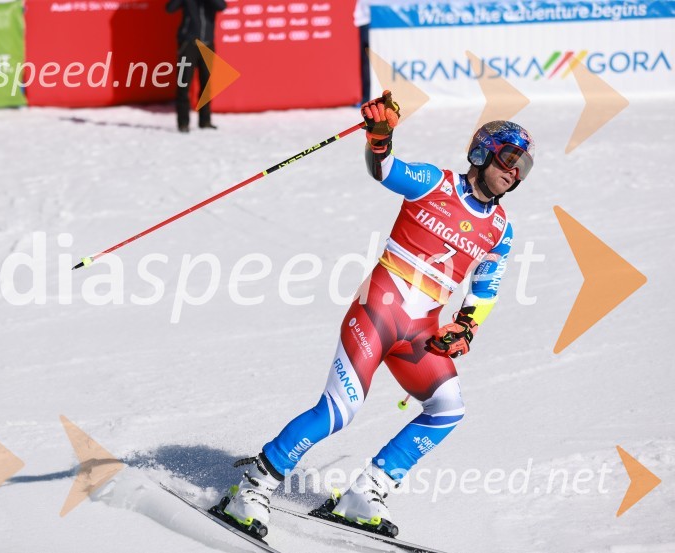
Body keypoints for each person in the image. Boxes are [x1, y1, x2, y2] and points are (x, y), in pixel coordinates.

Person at [213, 90, 535, 539]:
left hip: (419, 332)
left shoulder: (501, 230)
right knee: (339, 410)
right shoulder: (435, 183)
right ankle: (252, 487)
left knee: (447, 409)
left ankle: (365, 493)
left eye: (522, 166)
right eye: (508, 159)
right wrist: (379, 139)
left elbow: (486, 288)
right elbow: (384, 170)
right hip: (376, 314)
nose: (513, 171)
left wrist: (465, 326)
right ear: (482, 154)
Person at [165, 0, 226, 133]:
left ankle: (205, 121)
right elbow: (170, 8)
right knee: (183, 84)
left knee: (206, 85)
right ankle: (183, 123)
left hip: (207, 44)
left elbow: (221, 6)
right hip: (188, 44)